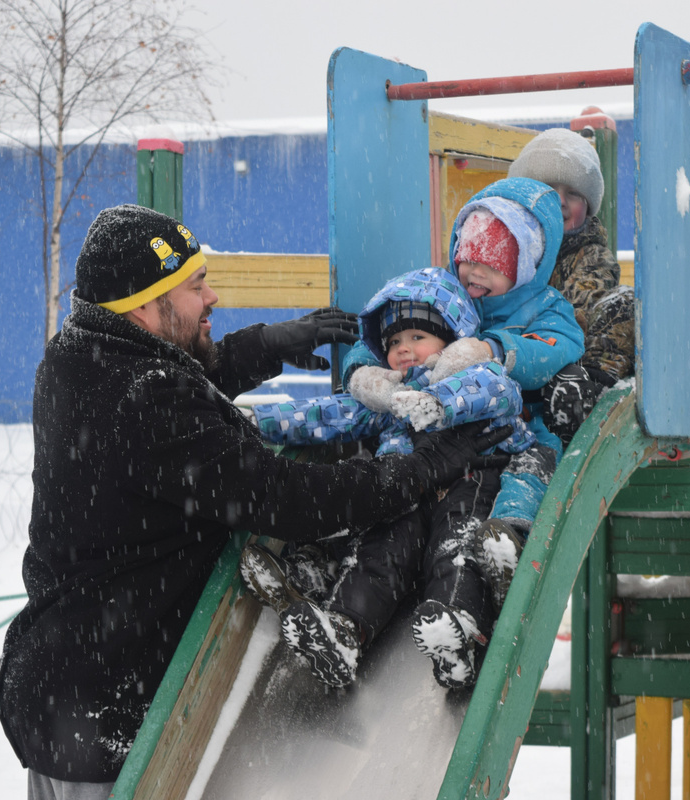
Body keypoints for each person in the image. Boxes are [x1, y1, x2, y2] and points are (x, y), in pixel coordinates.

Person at [0, 204, 510, 798]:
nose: (211, 297)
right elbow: (285, 496)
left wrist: (266, 346)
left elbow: (169, 372)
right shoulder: (147, 404)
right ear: (142, 304)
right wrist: (420, 470)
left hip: (59, 686)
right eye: (194, 287)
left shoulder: (77, 355)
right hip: (111, 715)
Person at [242, 266, 536, 689]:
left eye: (418, 337)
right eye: (394, 341)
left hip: (469, 481)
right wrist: (260, 421)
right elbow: (329, 413)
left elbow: (496, 392)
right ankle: (345, 630)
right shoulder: (389, 396)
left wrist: (437, 402)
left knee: (454, 549)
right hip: (408, 489)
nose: (403, 349)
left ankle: (459, 631)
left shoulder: (475, 373)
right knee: (379, 552)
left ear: (453, 339)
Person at [344, 177, 586, 610]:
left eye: (491, 263)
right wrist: (363, 371)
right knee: (389, 488)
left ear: (527, 264)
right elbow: (390, 328)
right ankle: (346, 560)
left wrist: (494, 348)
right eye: (465, 258)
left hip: (514, 431)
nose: (473, 272)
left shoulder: (544, 307)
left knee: (532, 467)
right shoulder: (449, 293)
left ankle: (509, 539)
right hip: (441, 434)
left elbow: (559, 345)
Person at [507, 126, 637, 445]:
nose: (561, 202)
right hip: (514, 362)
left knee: (623, 304)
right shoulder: (510, 247)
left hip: (565, 362)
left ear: (588, 207)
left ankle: (585, 397)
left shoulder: (590, 256)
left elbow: (574, 316)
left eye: (574, 194)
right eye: (548, 189)